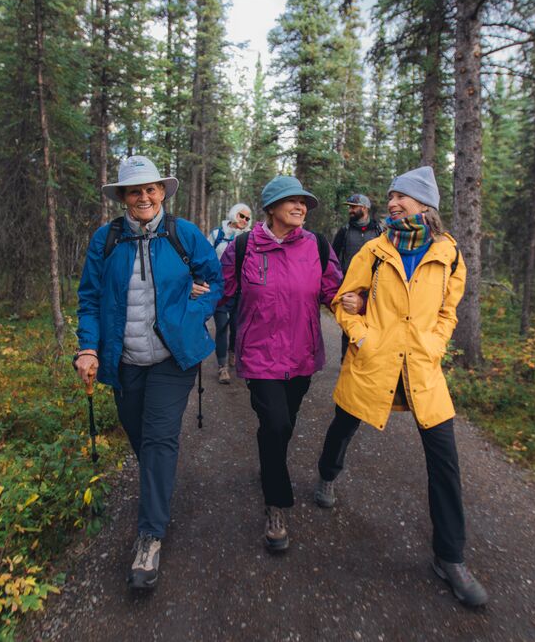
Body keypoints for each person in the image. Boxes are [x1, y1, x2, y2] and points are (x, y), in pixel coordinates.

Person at [315, 166, 489, 607]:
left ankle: (450, 557)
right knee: (344, 425)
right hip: (375, 361)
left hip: (422, 368)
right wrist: (363, 336)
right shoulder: (373, 250)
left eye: (401, 198)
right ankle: (327, 474)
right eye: (390, 197)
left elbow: (449, 311)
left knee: (445, 460)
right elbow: (342, 300)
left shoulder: (448, 253)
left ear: (424, 205)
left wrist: (434, 343)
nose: (392, 204)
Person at [75, 155, 223, 591]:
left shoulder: (184, 234)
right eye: (135, 190)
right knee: (141, 438)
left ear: (162, 192)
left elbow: (214, 282)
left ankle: (149, 537)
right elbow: (89, 298)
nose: (144, 197)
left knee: (159, 438)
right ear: (123, 197)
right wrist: (88, 346)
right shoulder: (106, 240)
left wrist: (191, 312)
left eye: (151, 189)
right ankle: (158, 483)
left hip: (172, 358)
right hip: (124, 361)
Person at [219, 176, 341, 552]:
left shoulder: (317, 246)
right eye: (292, 200)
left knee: (282, 425)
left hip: (302, 355)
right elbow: (217, 291)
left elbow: (333, 290)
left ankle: (270, 463)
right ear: (270, 208)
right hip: (259, 356)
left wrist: (355, 303)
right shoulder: (243, 248)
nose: (301, 206)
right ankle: (276, 504)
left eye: (305, 201)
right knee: (275, 422)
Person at [331, 193, 383, 359]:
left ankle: (370, 358)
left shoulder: (379, 231)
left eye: (353, 207)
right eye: (349, 207)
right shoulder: (344, 231)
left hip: (375, 289)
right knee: (350, 326)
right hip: (350, 287)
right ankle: (346, 361)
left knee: (374, 323)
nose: (350, 211)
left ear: (364, 208)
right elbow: (332, 258)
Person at [206, 203, 253, 383]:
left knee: (236, 326)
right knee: (221, 327)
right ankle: (222, 366)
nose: (244, 220)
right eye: (242, 216)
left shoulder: (249, 237)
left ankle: (233, 351)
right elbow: (206, 257)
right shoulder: (217, 234)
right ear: (234, 214)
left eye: (248, 218)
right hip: (220, 288)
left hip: (241, 289)